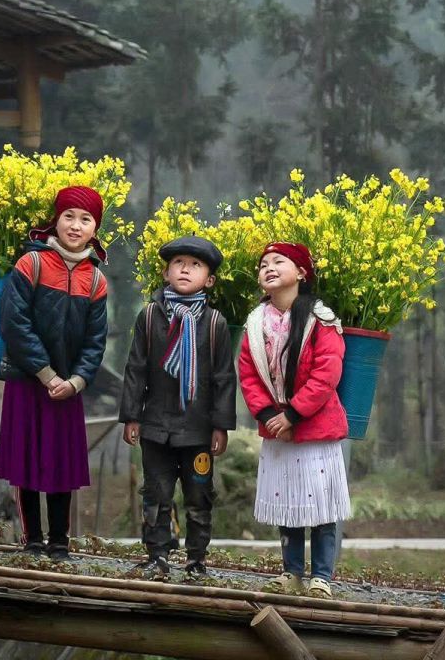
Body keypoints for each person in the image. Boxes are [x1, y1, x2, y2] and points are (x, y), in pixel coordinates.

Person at [0, 184, 109, 560]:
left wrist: (76, 381)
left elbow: (96, 341)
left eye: (86, 219)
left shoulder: (96, 280)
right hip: (31, 381)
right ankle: (32, 541)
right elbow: (14, 323)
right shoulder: (32, 264)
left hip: (68, 388)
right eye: (69, 216)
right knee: (27, 461)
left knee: (61, 463)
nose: (76, 226)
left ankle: (60, 542)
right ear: (55, 221)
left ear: (96, 228)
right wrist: (46, 374)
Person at [119, 234, 237, 582]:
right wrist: (131, 416)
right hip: (156, 425)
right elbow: (135, 368)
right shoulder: (150, 316)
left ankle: (197, 559)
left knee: (199, 495)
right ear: (167, 273)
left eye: (195, 265)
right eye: (178, 264)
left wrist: (221, 426)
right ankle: (157, 555)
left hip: (198, 428)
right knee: (156, 492)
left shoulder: (214, 323)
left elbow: (224, 378)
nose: (185, 269)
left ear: (209, 279)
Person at [237, 241, 351, 598]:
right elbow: (248, 374)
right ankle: (291, 572)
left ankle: (321, 576)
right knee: (286, 499)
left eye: (278, 261)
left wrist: (293, 413)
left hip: (314, 427)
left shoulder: (322, 319)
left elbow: (326, 373)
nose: (268, 267)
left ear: (302, 272)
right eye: (263, 264)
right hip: (278, 428)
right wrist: (270, 414)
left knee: (320, 503)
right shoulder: (255, 324)